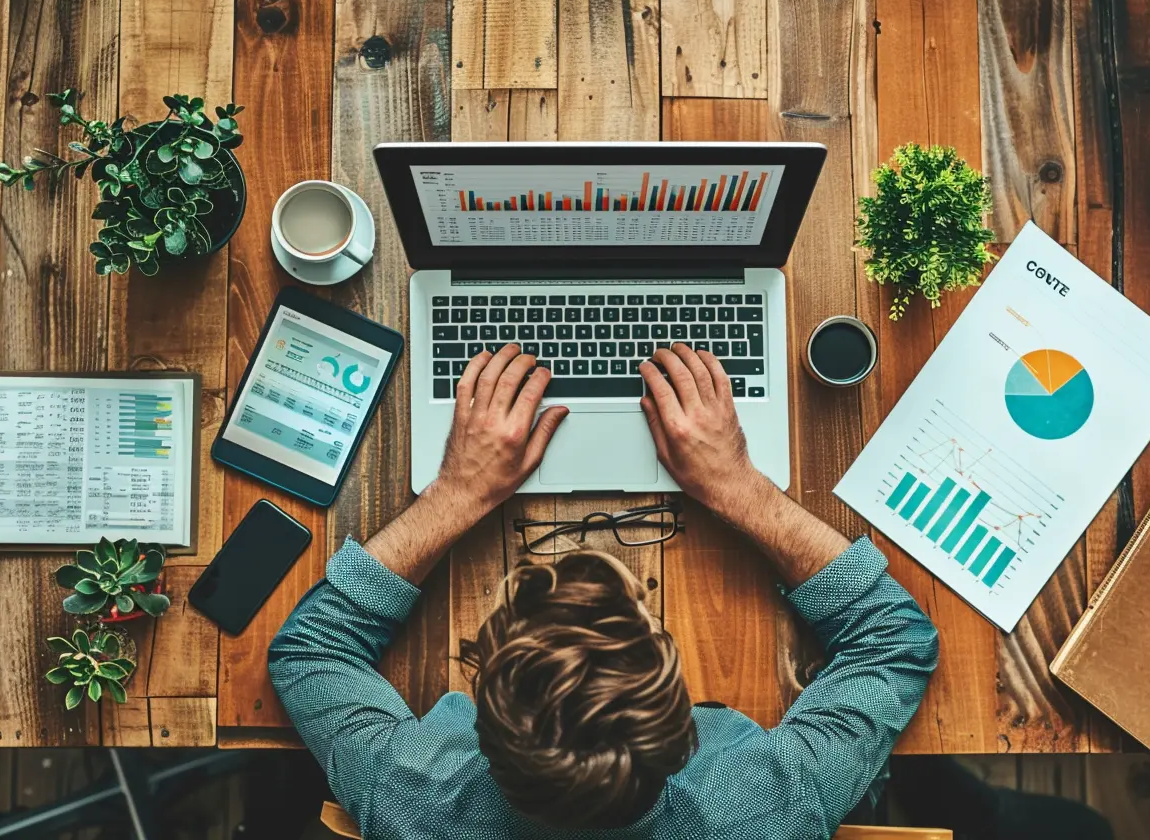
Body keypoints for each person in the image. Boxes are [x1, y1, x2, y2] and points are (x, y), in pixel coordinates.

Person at [269, 343, 939, 838]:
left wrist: (457, 493)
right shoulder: (762, 812)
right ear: (684, 732)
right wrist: (739, 486)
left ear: (480, 731)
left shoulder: (415, 802)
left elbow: (310, 651)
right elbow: (895, 639)